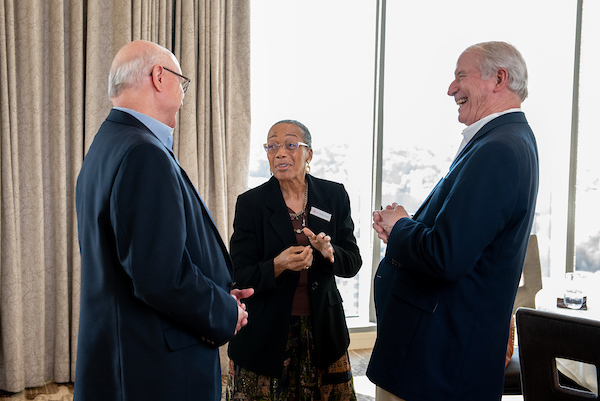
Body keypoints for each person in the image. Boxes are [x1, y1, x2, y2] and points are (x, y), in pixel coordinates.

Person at [74, 40, 253, 401]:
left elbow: (144, 260)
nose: (184, 96)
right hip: (156, 367)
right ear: (159, 76)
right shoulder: (143, 153)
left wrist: (216, 292)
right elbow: (159, 278)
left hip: (123, 356)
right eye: (181, 82)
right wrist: (223, 311)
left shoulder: (106, 143)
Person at [367, 41, 539, 401]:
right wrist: (404, 231)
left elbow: (446, 257)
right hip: (433, 355)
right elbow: (461, 239)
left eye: (461, 75)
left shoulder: (498, 149)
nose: (451, 88)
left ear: (499, 79)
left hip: (437, 364)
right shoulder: (504, 140)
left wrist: (401, 226)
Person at [226, 120, 363, 400]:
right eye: (272, 145)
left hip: (324, 330)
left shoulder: (334, 195)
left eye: (290, 144)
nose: (280, 153)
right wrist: (278, 265)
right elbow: (239, 274)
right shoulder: (251, 203)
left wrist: (329, 253)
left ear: (308, 154)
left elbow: (353, 262)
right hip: (265, 333)